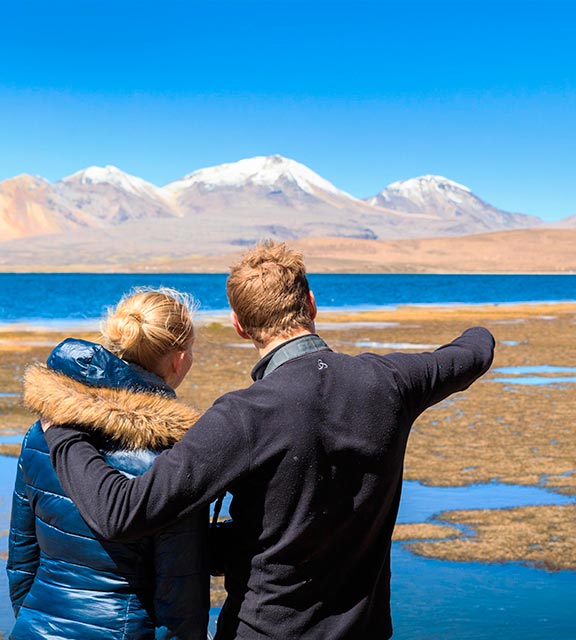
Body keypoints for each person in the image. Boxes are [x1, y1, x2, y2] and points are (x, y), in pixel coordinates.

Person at [38, 241, 495, 639]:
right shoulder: (391, 382)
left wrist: (63, 428)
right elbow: (474, 352)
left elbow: (122, 512)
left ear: (239, 325)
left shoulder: (243, 416)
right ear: (311, 304)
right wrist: (479, 330)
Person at [8, 288, 210, 640]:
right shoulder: (173, 457)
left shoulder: (44, 431)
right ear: (179, 359)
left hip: (35, 629)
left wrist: (33, 621)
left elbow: (22, 560)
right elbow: (179, 602)